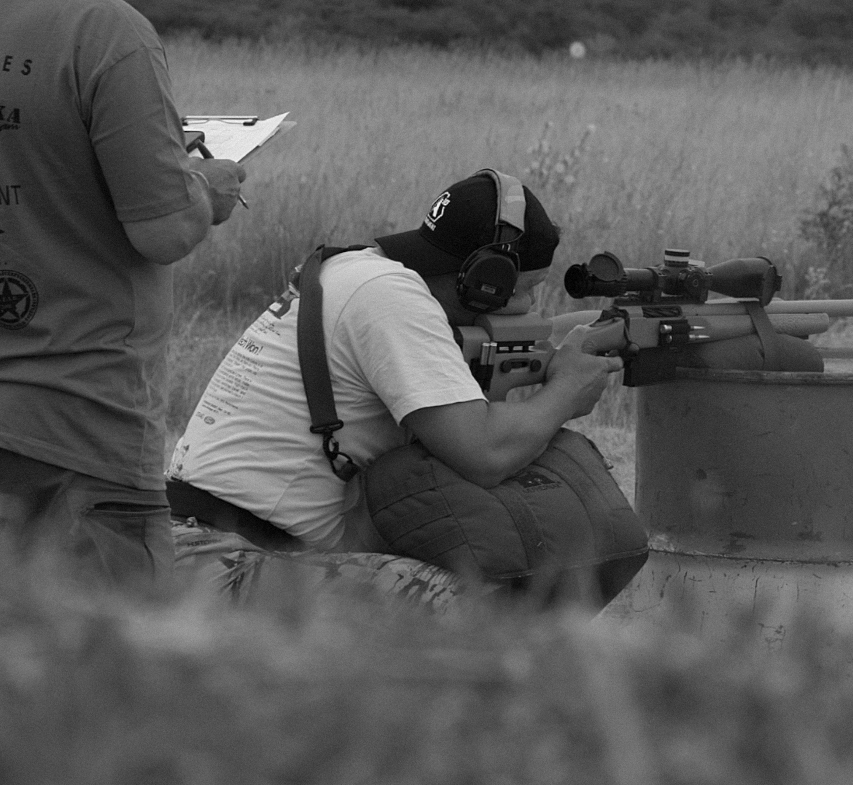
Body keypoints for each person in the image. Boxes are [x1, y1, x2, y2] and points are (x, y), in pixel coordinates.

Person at [164, 169, 623, 606]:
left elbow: (532, 341)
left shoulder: (362, 273)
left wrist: (597, 336)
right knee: (482, 610)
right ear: (486, 281)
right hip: (220, 560)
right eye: (527, 289)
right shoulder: (391, 298)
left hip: (206, 543)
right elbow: (485, 452)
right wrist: (565, 392)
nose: (531, 304)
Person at [0, 0, 248, 586]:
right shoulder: (103, 30)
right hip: (73, 429)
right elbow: (164, 230)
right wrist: (207, 187)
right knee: (103, 645)